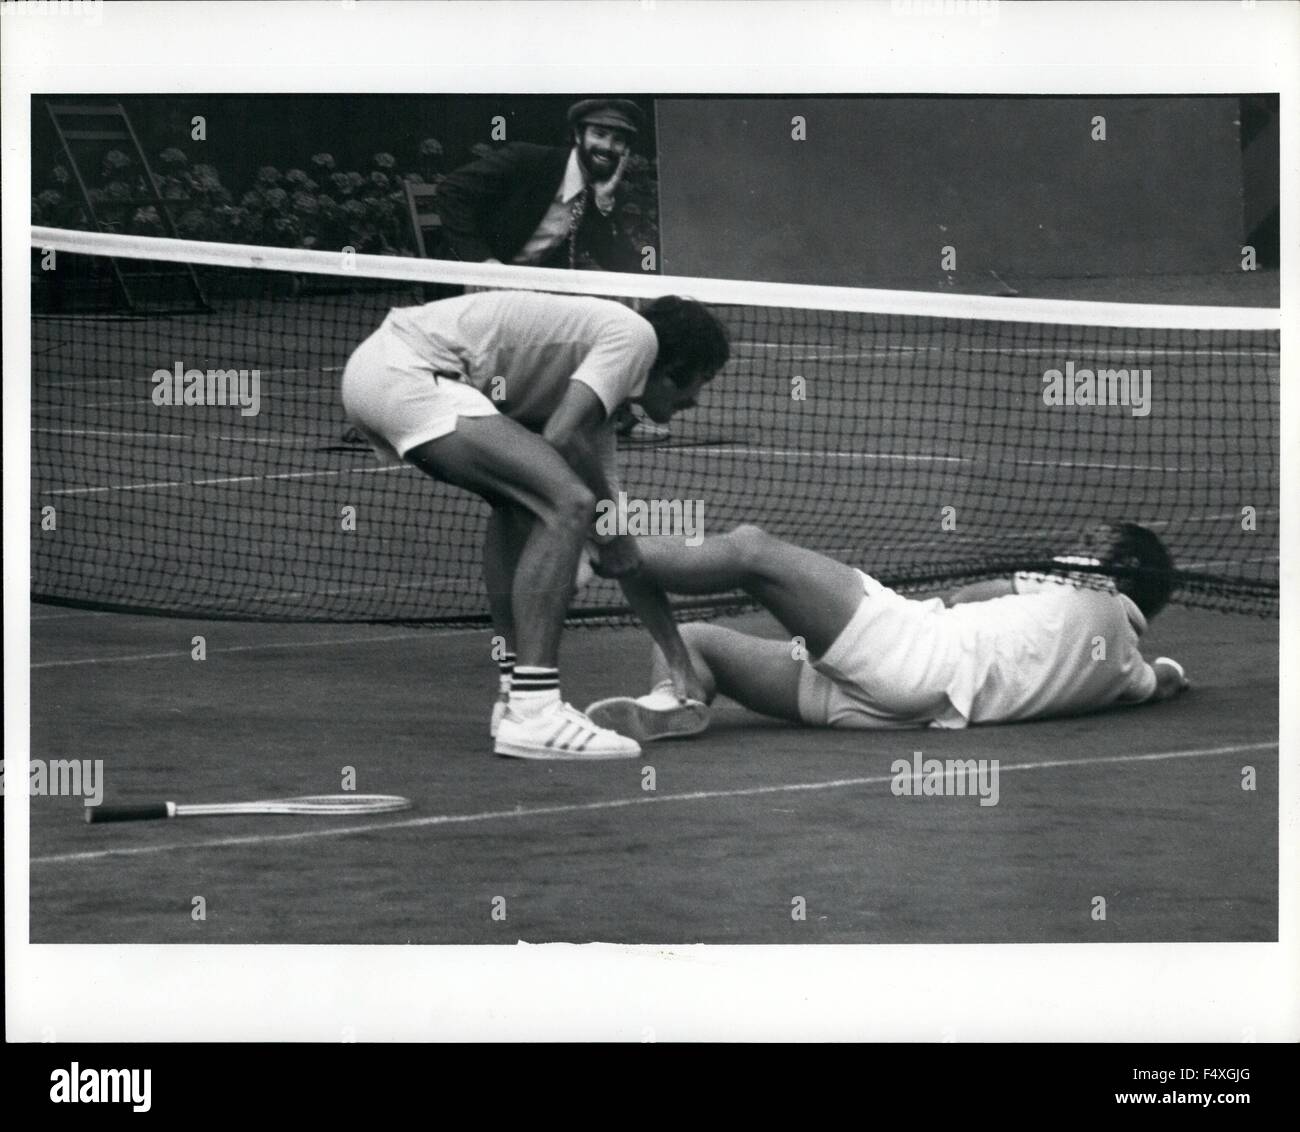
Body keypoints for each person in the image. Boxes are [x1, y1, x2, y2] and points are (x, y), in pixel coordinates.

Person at [341, 287, 728, 760]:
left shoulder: (596, 404)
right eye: (701, 382)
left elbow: (619, 550)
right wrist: (609, 533)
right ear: (671, 372)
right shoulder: (635, 337)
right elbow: (561, 439)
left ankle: (513, 697)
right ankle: (536, 711)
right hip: (405, 372)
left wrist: (677, 660)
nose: (697, 401)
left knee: (522, 510)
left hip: (381, 377)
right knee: (568, 503)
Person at [585, 521, 1191, 740]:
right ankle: (677, 701)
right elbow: (1163, 680)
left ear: (1118, 569)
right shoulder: (1126, 673)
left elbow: (964, 596)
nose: (1075, 546)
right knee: (696, 643)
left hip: (911, 648)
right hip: (897, 711)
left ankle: (590, 557)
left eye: (1090, 543)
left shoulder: (1086, 583)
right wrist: (1170, 672)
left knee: (751, 549)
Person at [436, 97, 670, 443]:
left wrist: (604, 208)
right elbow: (450, 192)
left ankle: (613, 415)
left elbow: (620, 264)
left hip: (536, 295)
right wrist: (481, 264)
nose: (608, 146)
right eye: (600, 134)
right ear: (578, 135)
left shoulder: (597, 192)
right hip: (474, 287)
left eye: (618, 140)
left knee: (613, 306)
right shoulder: (528, 160)